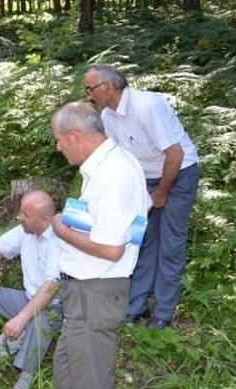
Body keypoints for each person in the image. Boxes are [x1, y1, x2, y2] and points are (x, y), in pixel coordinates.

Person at [50, 102, 150, 389]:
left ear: (75, 135)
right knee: (68, 384)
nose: (58, 146)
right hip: (85, 292)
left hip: (96, 292)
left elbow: (111, 250)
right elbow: (138, 216)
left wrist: (61, 229)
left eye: (59, 139)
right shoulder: (115, 163)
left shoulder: (112, 173)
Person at [84, 64, 199, 329]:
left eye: (91, 89)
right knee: (141, 240)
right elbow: (119, 161)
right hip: (145, 179)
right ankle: (137, 305)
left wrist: (160, 194)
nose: (89, 95)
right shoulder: (109, 118)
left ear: (109, 86)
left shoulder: (148, 106)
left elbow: (175, 154)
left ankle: (163, 312)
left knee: (170, 244)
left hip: (179, 174)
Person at [0, 191, 62, 389]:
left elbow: (51, 288)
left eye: (25, 214)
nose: (19, 217)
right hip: (27, 298)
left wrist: (20, 319)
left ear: (43, 219)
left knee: (41, 319)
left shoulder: (60, 240)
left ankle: (25, 378)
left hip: (55, 306)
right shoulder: (25, 231)